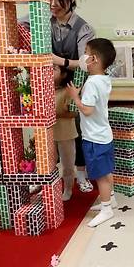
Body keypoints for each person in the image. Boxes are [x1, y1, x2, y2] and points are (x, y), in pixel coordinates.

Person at [45, 0, 95, 193]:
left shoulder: (83, 28)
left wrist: (60, 61)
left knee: (77, 131)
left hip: (76, 85)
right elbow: (20, 26)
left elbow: (86, 64)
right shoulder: (42, 21)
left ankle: (81, 175)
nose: (53, 4)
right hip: (49, 85)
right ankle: (51, 175)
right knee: (48, 130)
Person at [66, 38, 117, 228]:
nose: (83, 56)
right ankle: (111, 199)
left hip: (95, 138)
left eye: (86, 51)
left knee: (100, 176)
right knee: (106, 171)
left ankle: (106, 209)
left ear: (93, 59)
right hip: (104, 135)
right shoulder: (103, 79)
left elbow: (87, 110)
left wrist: (75, 97)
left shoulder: (91, 84)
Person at [52, 65, 77, 201]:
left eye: (55, 69)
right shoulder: (44, 89)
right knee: (49, 163)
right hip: (49, 133)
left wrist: (56, 114)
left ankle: (68, 188)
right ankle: (50, 187)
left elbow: (74, 113)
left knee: (67, 164)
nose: (50, 70)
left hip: (66, 132)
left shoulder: (68, 91)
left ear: (63, 74)